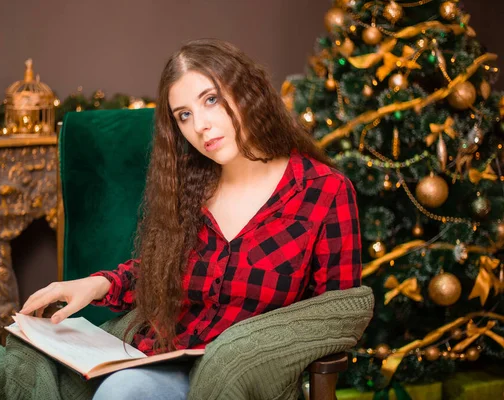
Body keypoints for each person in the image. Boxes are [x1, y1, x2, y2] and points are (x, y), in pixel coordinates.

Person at [19, 38, 362, 400]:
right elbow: (161, 270)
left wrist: (238, 354)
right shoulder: (191, 186)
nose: (200, 125)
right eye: (183, 115)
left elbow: (332, 316)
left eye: (210, 100)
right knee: (99, 385)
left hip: (249, 384)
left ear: (248, 92)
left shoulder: (324, 191)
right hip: (165, 363)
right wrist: (96, 284)